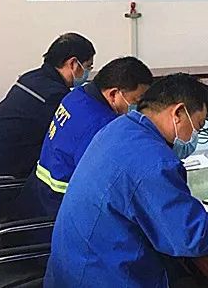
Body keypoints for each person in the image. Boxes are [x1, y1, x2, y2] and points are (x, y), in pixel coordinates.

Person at [45, 73, 208, 287]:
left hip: (72, 271)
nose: (195, 135)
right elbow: (193, 238)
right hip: (106, 277)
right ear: (178, 113)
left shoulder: (120, 127)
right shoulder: (154, 162)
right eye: (197, 126)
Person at [15, 57, 153, 218]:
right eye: (137, 101)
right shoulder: (101, 125)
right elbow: (104, 183)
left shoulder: (77, 96)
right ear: (113, 94)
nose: (139, 107)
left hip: (36, 192)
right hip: (57, 208)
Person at [0, 33, 95, 177]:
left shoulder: (30, 77)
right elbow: (72, 135)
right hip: (4, 167)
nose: (88, 73)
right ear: (73, 63)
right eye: (88, 67)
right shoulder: (54, 95)